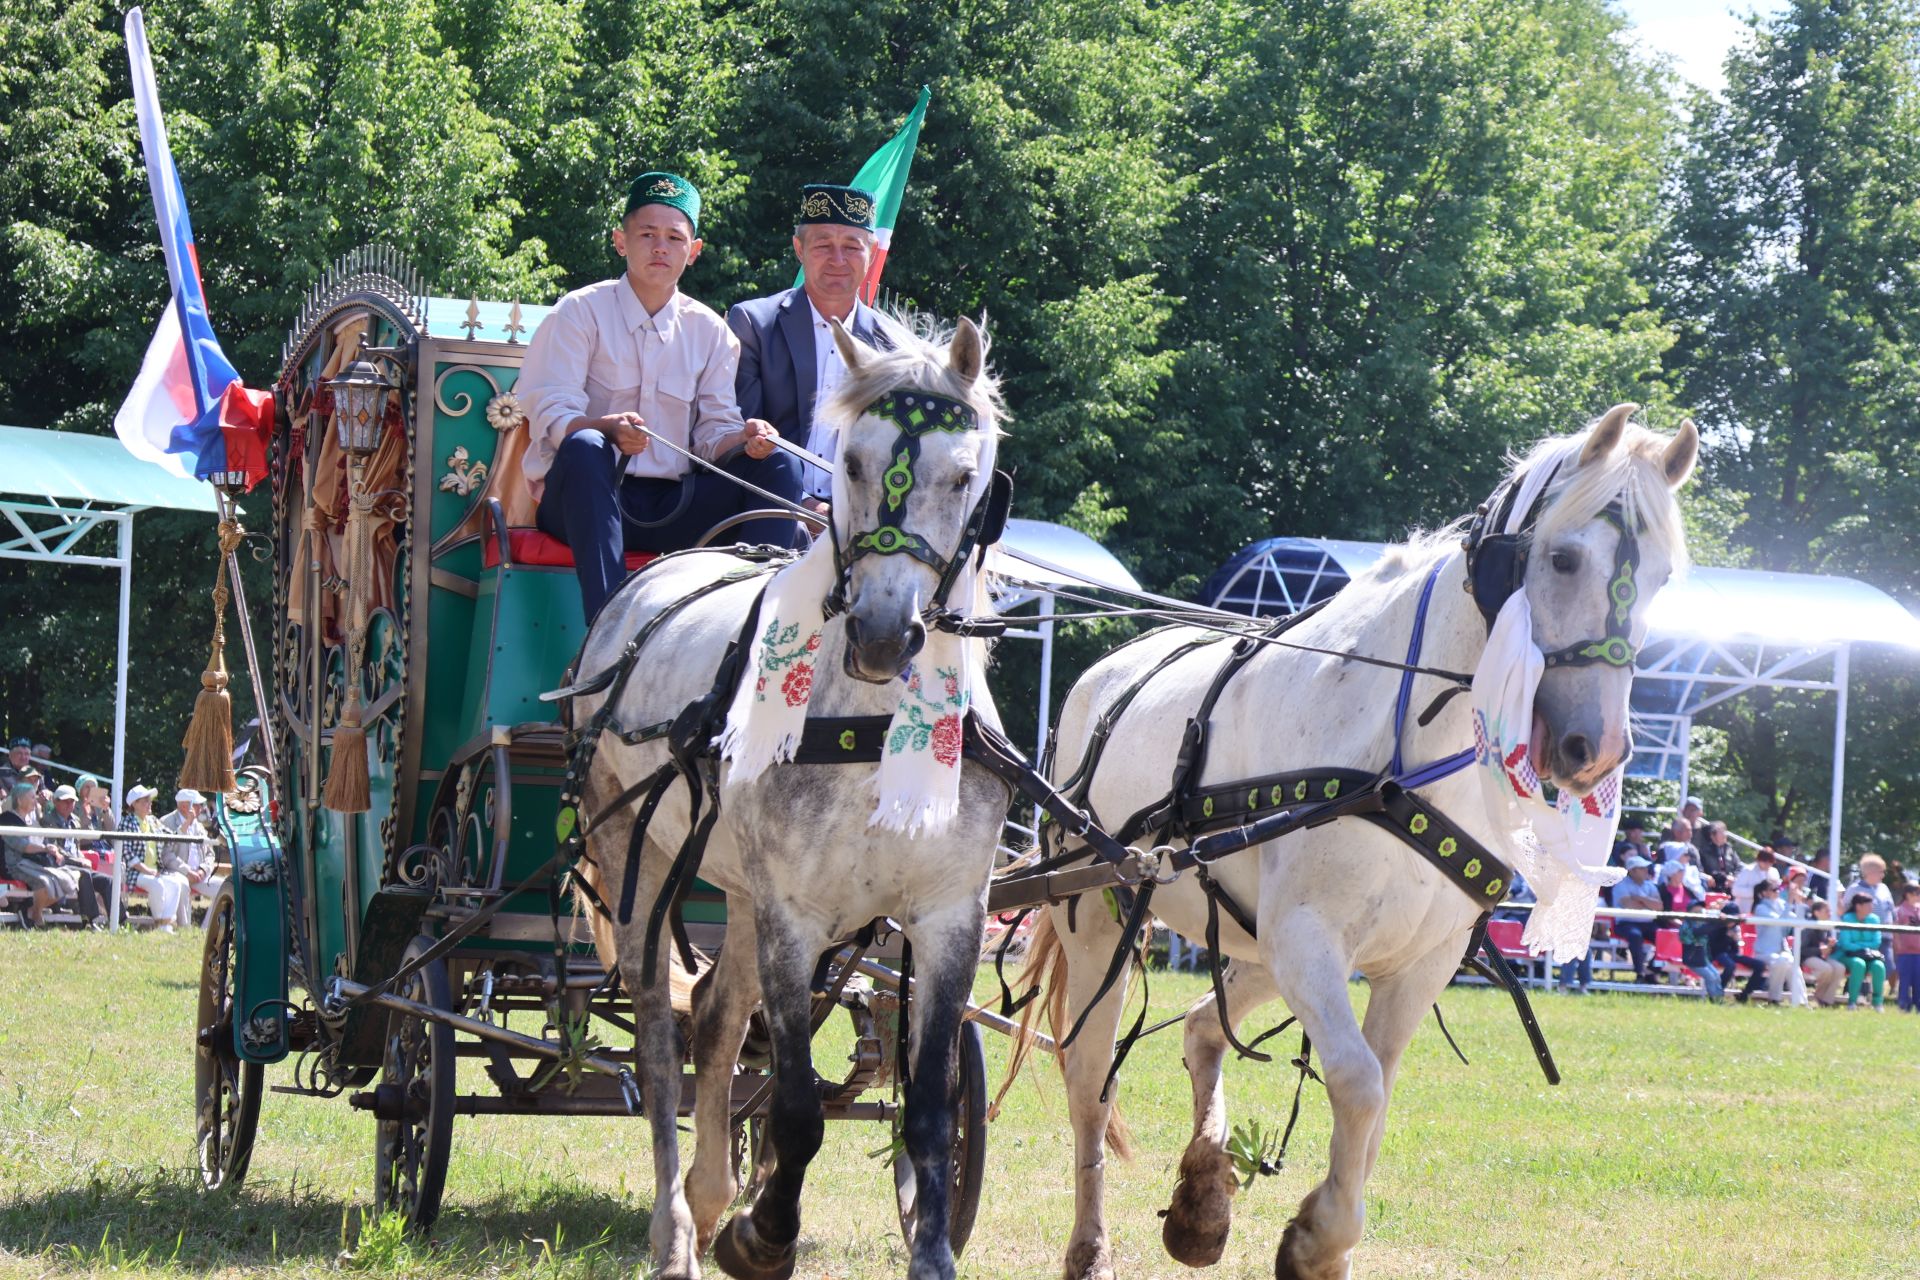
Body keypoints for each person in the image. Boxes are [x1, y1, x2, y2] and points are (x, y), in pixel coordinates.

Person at [520, 171, 801, 623]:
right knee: (586, 446)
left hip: (676, 504)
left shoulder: (710, 331)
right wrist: (606, 429)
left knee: (781, 463)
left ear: (693, 253)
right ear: (620, 241)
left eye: (674, 238)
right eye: (647, 234)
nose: (659, 247)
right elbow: (552, 411)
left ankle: (754, 627)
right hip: (586, 499)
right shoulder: (578, 312)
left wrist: (745, 438)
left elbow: (713, 432)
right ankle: (605, 626)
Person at [727, 183, 900, 521]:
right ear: (799, 249)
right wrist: (803, 506)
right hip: (763, 513)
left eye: (852, 246)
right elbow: (737, 435)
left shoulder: (894, 346)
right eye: (823, 245)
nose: (838, 260)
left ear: (872, 252)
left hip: (862, 526)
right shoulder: (753, 324)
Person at [2, 781, 78, 927]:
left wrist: (51, 849)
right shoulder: (7, 819)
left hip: (32, 864)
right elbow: (21, 846)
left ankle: (31, 911)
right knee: (44, 882)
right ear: (19, 800)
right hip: (14, 866)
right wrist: (44, 849)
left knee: (67, 880)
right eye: (31, 797)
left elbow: (40, 842)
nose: (35, 800)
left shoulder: (32, 821)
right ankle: (35, 914)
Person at [118, 784, 189, 933]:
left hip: (155, 871)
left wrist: (186, 824)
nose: (149, 803)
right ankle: (161, 924)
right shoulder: (126, 822)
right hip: (135, 873)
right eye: (145, 801)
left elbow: (172, 837)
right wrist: (147, 870)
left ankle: (166, 924)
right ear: (134, 804)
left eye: (149, 800)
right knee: (158, 885)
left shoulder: (153, 821)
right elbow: (127, 853)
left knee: (175, 884)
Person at [44, 784, 113, 927]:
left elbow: (75, 846)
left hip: (77, 863)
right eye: (65, 801)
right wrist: (79, 861)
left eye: (72, 801)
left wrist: (81, 857)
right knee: (84, 875)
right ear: (56, 801)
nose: (69, 804)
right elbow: (55, 849)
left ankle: (119, 921)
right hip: (60, 865)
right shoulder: (48, 820)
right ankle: (90, 920)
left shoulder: (75, 820)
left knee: (107, 880)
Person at [158, 788, 223, 925]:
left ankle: (207, 929)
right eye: (197, 804)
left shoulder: (199, 825)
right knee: (182, 884)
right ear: (183, 806)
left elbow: (210, 853)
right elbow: (166, 855)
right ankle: (185, 929)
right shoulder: (166, 822)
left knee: (225, 887)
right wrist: (187, 871)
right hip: (177, 873)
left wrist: (203, 870)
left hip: (199, 875)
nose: (201, 807)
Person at [1737, 879, 1807, 1006]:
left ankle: (1801, 1002)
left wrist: (1798, 901)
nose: (1778, 892)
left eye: (1778, 889)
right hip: (1764, 952)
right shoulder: (1760, 908)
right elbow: (1780, 922)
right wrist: (1790, 902)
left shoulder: (1781, 904)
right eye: (1774, 890)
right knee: (1782, 961)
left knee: (1792, 963)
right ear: (1764, 893)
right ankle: (1774, 998)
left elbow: (1800, 923)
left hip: (1782, 950)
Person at [1610, 856, 1665, 982]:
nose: (1646, 870)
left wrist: (1641, 899)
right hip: (1626, 923)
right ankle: (1640, 972)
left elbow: (1659, 906)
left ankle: (1652, 970)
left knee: (1664, 937)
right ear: (1632, 871)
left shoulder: (1650, 885)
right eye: (1642, 868)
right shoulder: (1621, 885)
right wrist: (1648, 904)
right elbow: (1629, 905)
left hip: (1647, 922)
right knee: (1635, 936)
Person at [1833, 892, 1886, 1010]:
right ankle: (1852, 1002)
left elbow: (1876, 942)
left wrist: (1859, 946)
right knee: (1858, 964)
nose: (1871, 908)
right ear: (1858, 906)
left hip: (1869, 956)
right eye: (1868, 905)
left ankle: (1878, 1003)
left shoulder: (1874, 919)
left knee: (1879, 966)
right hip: (1847, 955)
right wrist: (1864, 947)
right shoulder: (1847, 919)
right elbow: (1846, 944)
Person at [1799, 898, 1847, 1006]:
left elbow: (1828, 946)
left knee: (1840, 968)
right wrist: (1820, 950)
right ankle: (1819, 996)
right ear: (1816, 912)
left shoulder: (1826, 925)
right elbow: (1802, 949)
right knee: (1827, 969)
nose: (1830, 913)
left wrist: (1831, 946)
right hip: (1806, 957)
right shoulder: (1807, 926)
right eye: (1827, 911)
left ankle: (1827, 1000)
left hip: (1821, 957)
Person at [1890, 882, 1920, 1014]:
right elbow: (1895, 930)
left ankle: (1918, 1005)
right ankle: (1904, 1005)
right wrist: (1897, 945)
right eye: (1916, 893)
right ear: (1907, 894)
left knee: (1918, 980)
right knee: (1906, 979)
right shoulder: (1899, 910)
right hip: (1905, 952)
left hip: (1919, 951)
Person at [1729, 847, 1781, 914]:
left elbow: (1777, 891)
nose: (1767, 864)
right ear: (1758, 860)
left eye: (1770, 862)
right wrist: (1757, 891)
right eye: (1765, 861)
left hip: (1768, 911)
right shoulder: (1748, 870)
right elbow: (1735, 890)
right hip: (1746, 910)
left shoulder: (1774, 872)